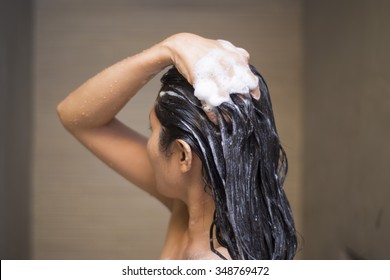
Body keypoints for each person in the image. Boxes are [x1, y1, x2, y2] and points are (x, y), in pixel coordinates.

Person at [57, 33, 297, 260]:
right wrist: (171, 46)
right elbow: (78, 118)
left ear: (183, 155)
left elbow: (79, 120)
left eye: (152, 130)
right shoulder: (192, 202)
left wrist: (169, 46)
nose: (149, 142)